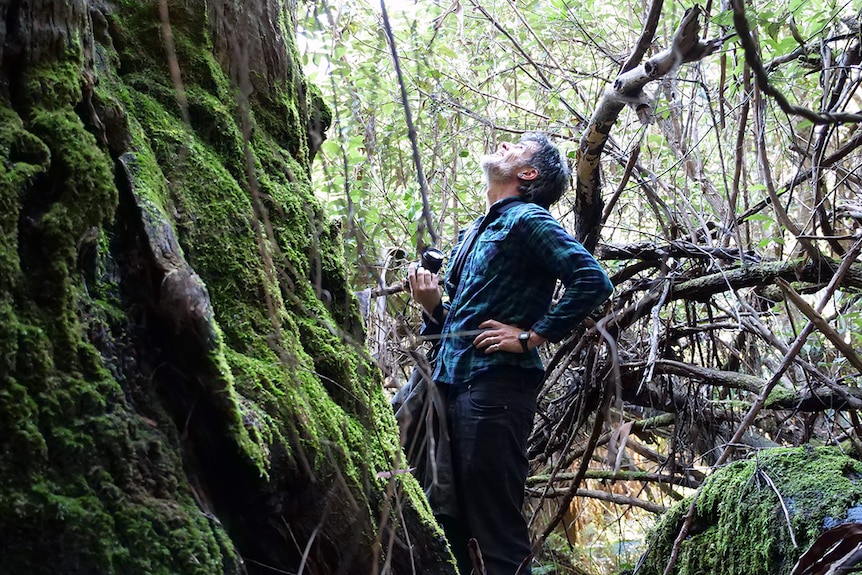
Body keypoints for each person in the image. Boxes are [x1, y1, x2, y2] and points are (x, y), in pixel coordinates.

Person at [407, 133, 613, 575]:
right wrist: (432, 306)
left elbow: (591, 280)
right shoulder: (473, 232)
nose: (503, 144)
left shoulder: (528, 220)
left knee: (495, 529)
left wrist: (531, 336)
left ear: (528, 174)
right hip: (449, 387)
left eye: (517, 146)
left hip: (495, 390)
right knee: (448, 522)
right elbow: (459, 324)